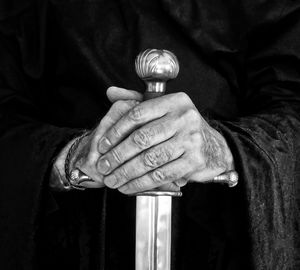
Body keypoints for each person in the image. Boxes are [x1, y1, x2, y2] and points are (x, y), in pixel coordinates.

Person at [0, 0, 299, 269]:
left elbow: (292, 106)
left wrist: (219, 149)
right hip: (62, 243)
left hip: (223, 244)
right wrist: (69, 157)